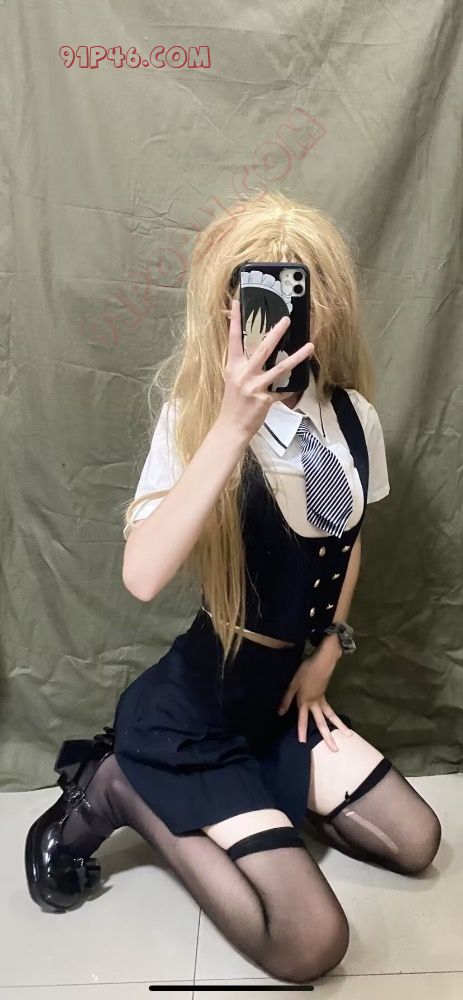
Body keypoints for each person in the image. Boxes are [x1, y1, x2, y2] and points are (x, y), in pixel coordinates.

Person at [25, 191, 441, 985]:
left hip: (281, 704)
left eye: (306, 292)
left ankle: (257, 802)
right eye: (259, 297)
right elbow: (142, 575)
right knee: (310, 943)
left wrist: (327, 650)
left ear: (330, 302)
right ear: (227, 310)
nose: (284, 317)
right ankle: (119, 787)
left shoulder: (352, 417)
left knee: (416, 841)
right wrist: (231, 424)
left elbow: (349, 540)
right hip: (196, 715)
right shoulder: (195, 421)